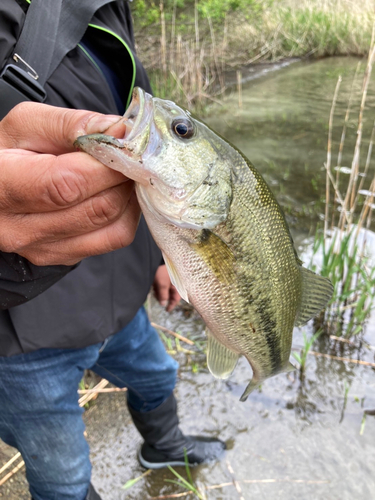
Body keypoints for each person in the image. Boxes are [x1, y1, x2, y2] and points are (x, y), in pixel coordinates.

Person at [0, 1, 225, 499]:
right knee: (62, 474)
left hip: (120, 294)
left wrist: (164, 256)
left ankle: (163, 447)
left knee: (158, 376)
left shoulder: (104, 4)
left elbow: (142, 127)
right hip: (21, 341)